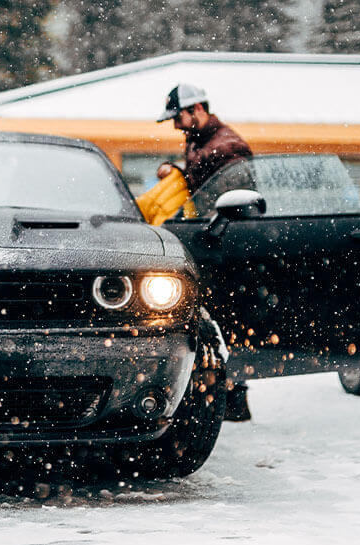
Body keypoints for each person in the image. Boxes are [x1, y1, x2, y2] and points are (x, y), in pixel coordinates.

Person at [145, 83, 254, 421]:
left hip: (225, 244)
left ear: (198, 110)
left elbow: (219, 202)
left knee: (228, 321)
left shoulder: (228, 148)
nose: (176, 125)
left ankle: (233, 397)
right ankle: (223, 394)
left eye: (178, 118)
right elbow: (196, 184)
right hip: (207, 240)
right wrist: (174, 169)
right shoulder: (201, 140)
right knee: (215, 321)